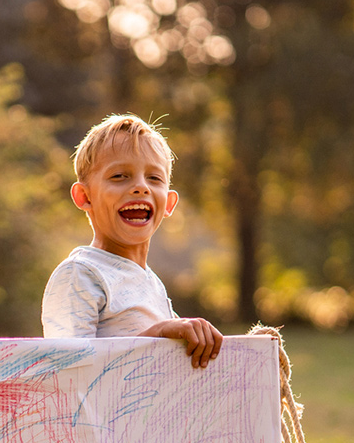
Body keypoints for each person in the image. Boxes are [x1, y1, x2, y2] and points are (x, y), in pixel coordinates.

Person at [40, 114, 223, 367]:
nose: (140, 187)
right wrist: (158, 334)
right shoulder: (79, 275)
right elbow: (67, 373)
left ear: (169, 203)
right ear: (84, 196)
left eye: (154, 178)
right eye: (119, 176)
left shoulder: (152, 284)